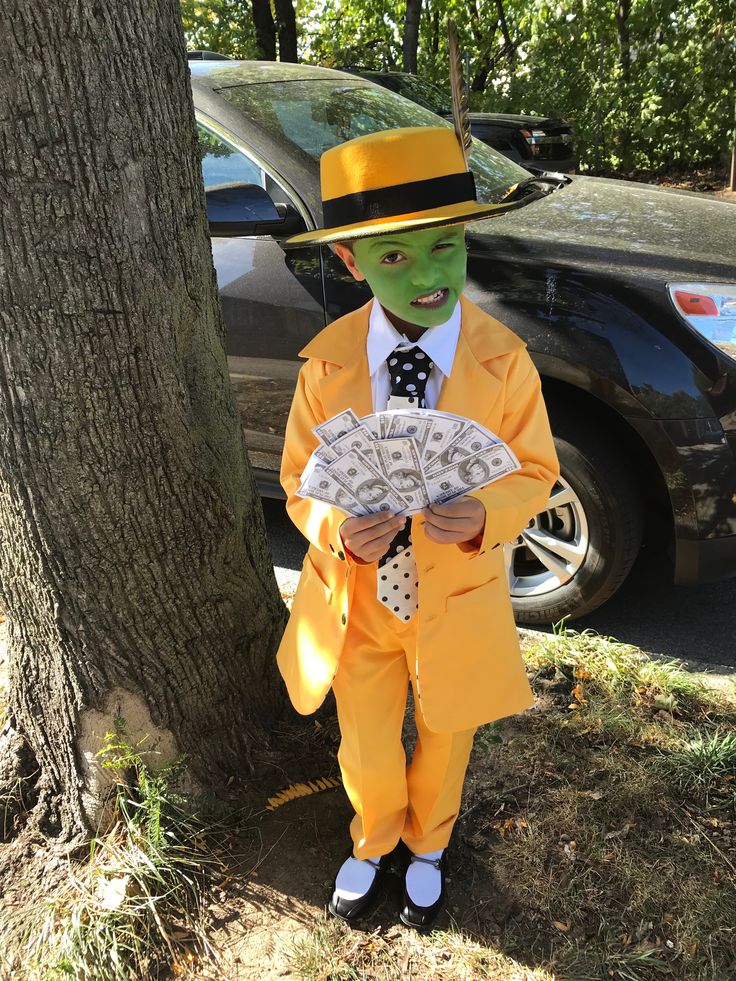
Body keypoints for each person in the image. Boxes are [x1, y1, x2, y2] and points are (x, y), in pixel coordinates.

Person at [276, 125, 560, 930]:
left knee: (447, 733)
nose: (430, 276)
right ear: (351, 261)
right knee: (364, 740)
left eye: (445, 246)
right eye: (395, 257)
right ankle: (372, 839)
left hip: (456, 595)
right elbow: (301, 481)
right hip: (357, 603)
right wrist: (334, 527)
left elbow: (535, 470)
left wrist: (487, 513)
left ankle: (429, 844)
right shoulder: (327, 366)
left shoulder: (504, 364)